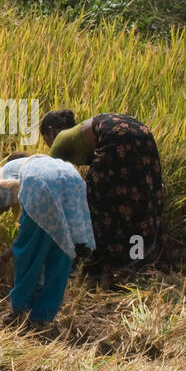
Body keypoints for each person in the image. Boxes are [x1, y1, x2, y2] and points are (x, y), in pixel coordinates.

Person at [0, 154, 94, 325]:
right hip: (72, 180)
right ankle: (42, 317)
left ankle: (19, 311)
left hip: (41, 184)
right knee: (60, 251)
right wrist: (4, 256)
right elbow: (37, 235)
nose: (2, 213)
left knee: (29, 256)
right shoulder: (21, 176)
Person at [40, 110, 163, 277]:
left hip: (116, 137)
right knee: (138, 198)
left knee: (97, 203)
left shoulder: (60, 140)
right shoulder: (81, 133)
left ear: (50, 131)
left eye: (44, 138)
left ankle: (105, 263)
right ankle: (141, 257)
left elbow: (48, 186)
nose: (47, 144)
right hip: (142, 132)